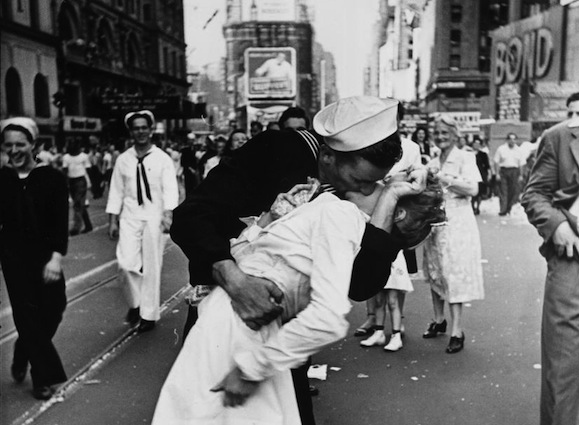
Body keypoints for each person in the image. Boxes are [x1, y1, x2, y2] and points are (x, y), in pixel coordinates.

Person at [170, 96, 427, 425]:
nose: (366, 191)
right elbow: (191, 216)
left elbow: (362, 283)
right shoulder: (278, 151)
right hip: (231, 317)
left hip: (280, 338)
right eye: (361, 180)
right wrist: (236, 280)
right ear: (329, 155)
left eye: (374, 182)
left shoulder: (348, 199)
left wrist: (389, 201)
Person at [521, 57, 579, 425]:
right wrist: (556, 225)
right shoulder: (561, 136)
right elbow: (533, 194)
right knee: (563, 375)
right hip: (577, 256)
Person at [0, 117, 69, 400]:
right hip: (13, 257)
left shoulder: (51, 178)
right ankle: (42, 378)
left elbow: (59, 221)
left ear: (34, 145)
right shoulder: (2, 179)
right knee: (27, 314)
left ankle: (23, 349)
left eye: (21, 144)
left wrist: (55, 258)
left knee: (54, 308)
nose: (14, 150)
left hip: (45, 256)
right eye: (8, 146)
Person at [106, 110, 179, 333]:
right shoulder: (123, 159)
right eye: (136, 128)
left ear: (150, 130)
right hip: (129, 216)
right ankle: (135, 304)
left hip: (154, 217)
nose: (140, 132)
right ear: (131, 132)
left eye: (144, 127)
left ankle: (148, 314)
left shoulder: (162, 159)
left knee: (152, 266)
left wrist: (168, 214)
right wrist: (112, 220)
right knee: (125, 264)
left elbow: (170, 189)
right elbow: (116, 191)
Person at [421, 114, 484, 354]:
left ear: (455, 135)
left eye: (445, 133)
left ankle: (457, 330)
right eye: (436, 133)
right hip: (435, 222)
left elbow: (473, 188)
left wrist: (444, 178)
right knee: (436, 271)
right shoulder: (433, 160)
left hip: (458, 222)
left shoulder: (465, 157)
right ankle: (439, 320)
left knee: (454, 273)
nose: (440, 137)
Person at [357, 134, 423, 350]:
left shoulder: (400, 199)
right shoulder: (376, 194)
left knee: (393, 298)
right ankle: (378, 331)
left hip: (393, 252)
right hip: (379, 242)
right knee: (377, 297)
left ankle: (396, 332)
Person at [62, 139, 93, 235]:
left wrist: (90, 183)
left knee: (78, 204)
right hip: (71, 181)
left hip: (80, 181)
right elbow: (65, 170)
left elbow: (89, 169)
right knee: (79, 204)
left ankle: (76, 227)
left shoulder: (84, 156)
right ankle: (88, 225)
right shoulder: (66, 157)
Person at [493, 132, 524, 216]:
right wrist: (497, 174)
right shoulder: (501, 149)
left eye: (514, 139)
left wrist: (521, 175)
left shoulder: (519, 150)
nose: (512, 141)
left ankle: (508, 208)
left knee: (513, 191)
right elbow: (496, 161)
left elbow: (521, 164)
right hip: (504, 171)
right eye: (510, 139)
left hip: (514, 171)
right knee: (503, 191)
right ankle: (503, 209)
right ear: (507, 140)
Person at [471, 138, 492, 215]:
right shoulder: (468, 154)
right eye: (475, 143)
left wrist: (488, 175)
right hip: (471, 174)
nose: (476, 145)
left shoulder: (483, 154)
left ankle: (478, 207)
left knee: (479, 192)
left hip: (481, 175)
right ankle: (472, 207)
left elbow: (487, 166)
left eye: (478, 144)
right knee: (472, 192)